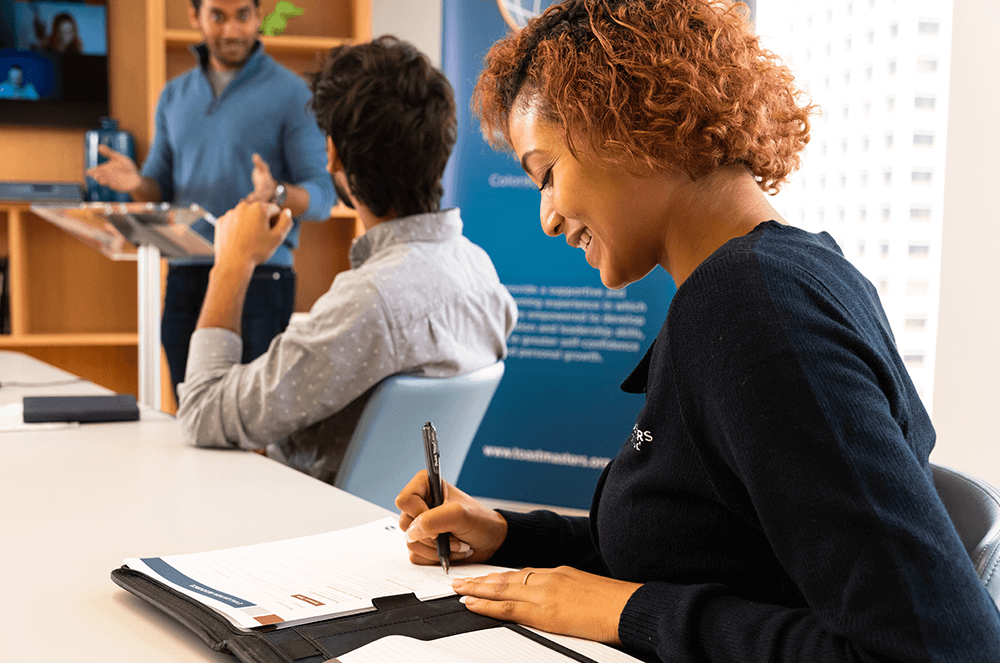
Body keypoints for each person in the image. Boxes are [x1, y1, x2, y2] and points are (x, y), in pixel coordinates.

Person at [396, 1, 1000, 661]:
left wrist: (633, 613)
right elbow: (708, 545)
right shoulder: (779, 276)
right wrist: (511, 534)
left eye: (546, 175)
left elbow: (943, 648)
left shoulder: (754, 307)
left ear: (621, 123)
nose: (546, 217)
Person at [176, 36, 517, 485]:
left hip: (308, 532)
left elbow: (201, 413)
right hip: (396, 532)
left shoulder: (370, 302)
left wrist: (232, 263)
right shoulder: (482, 275)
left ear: (333, 153)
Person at [85, 0, 336, 398]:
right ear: (195, 18)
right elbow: (158, 188)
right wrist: (136, 182)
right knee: (191, 413)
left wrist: (279, 193)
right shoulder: (174, 95)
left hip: (261, 278)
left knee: (251, 418)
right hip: (185, 277)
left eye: (242, 15)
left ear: (257, 16)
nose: (232, 30)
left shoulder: (292, 94)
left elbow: (323, 196)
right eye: (218, 16)